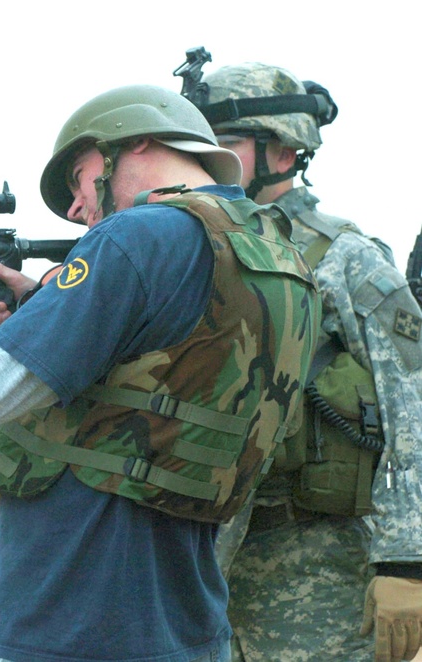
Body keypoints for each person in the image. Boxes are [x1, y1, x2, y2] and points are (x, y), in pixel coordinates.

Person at [0, 84, 321, 661]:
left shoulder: (138, 236)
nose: (77, 208)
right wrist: (41, 313)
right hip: (186, 624)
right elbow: (168, 377)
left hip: (75, 624)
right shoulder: (270, 250)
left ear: (136, 141)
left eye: (77, 177)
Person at [184, 61, 422, 662]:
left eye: (223, 145)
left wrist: (406, 559)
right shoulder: (186, 248)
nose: (202, 161)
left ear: (284, 153)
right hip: (198, 567)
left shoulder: (346, 258)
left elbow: (412, 405)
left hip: (315, 573)